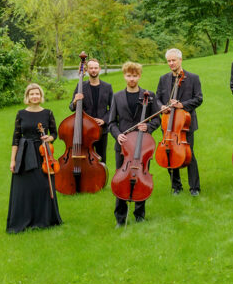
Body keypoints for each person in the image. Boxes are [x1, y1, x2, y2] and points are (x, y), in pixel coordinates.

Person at [108, 61, 160, 226]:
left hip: (142, 147)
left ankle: (139, 215)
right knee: (120, 180)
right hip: (124, 149)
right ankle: (120, 218)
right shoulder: (117, 97)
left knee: (141, 179)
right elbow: (111, 123)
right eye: (129, 75)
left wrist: (148, 126)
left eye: (135, 75)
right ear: (124, 76)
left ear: (139, 76)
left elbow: (157, 118)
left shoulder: (149, 95)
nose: (132, 79)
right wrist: (117, 136)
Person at [7, 83, 62, 233]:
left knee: (43, 186)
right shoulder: (21, 114)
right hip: (24, 153)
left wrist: (49, 137)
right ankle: (24, 220)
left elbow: (55, 134)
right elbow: (16, 138)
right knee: (25, 189)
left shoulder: (48, 113)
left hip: (43, 153)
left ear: (41, 95)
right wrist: (13, 160)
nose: (34, 96)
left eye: (37, 93)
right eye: (31, 94)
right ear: (27, 97)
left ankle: (43, 220)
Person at [156, 48, 204, 195]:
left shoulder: (193, 78)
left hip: (185, 124)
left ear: (180, 60)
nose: (171, 63)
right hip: (167, 123)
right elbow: (157, 98)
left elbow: (199, 98)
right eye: (169, 61)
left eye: (173, 60)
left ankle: (194, 187)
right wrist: (161, 106)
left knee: (190, 155)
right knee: (170, 154)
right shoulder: (163, 79)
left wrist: (182, 105)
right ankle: (176, 186)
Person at [68, 57, 113, 170]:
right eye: (91, 68)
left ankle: (101, 180)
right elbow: (71, 107)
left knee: (101, 157)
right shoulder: (81, 86)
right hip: (85, 129)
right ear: (87, 70)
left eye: (95, 68)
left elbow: (113, 108)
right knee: (86, 155)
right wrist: (74, 101)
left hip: (101, 129)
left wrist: (104, 120)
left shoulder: (107, 87)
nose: (93, 70)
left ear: (99, 69)